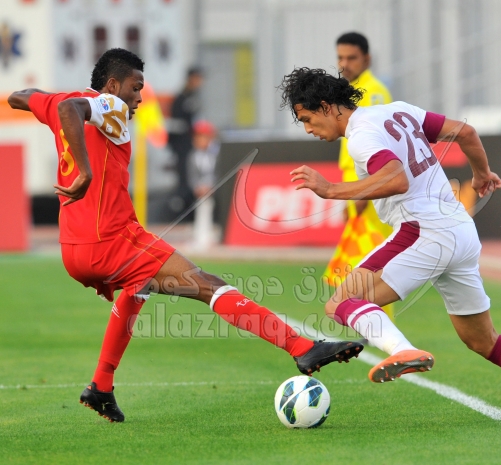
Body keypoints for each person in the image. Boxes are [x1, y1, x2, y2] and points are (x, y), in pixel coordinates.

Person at [7, 50, 363, 423]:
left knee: (138, 288)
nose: (139, 98)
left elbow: (22, 96)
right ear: (112, 85)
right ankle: (301, 346)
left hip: (73, 250)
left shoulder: (61, 101)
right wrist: (85, 171)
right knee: (210, 285)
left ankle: (101, 385)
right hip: (112, 241)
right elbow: (72, 110)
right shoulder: (109, 105)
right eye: (135, 87)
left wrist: (46, 101)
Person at [279, 67, 501, 426]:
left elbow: (396, 179)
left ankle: (402, 350)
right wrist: (481, 173)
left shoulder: (361, 136)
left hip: (422, 230)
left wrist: (330, 189)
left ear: (326, 106)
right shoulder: (397, 110)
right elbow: (465, 132)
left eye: (307, 119)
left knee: (341, 302)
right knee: (484, 341)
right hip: (460, 230)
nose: (308, 129)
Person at [325, 32, 395, 320]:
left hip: (368, 186)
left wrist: (366, 190)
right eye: (340, 57)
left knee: (374, 262)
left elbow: (378, 145)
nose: (345, 64)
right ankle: (370, 322)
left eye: (351, 58)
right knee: (363, 262)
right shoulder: (352, 91)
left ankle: (379, 325)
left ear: (367, 59)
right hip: (356, 184)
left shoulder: (373, 92)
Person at [167, 67, 203, 216]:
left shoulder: (194, 97)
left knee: (194, 175)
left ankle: (190, 206)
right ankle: (181, 207)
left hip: (192, 144)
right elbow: (176, 125)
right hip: (183, 145)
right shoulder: (181, 98)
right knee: (185, 176)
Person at [188, 120, 220, 249]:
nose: (198, 140)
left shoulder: (217, 153)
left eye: (202, 136)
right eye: (197, 137)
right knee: (202, 206)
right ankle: (201, 236)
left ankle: (214, 234)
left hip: (216, 189)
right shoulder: (193, 156)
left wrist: (212, 187)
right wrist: (197, 188)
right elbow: (192, 176)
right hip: (202, 191)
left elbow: (219, 172)